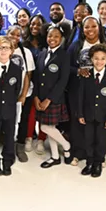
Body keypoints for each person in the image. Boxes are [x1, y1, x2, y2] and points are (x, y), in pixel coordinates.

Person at [67, 16, 106, 166]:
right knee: (79, 123)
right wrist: (78, 70)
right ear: (82, 30)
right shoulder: (76, 46)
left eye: (93, 26)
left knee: (99, 125)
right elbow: (67, 67)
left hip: (102, 92)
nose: (90, 30)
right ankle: (78, 153)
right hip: (79, 91)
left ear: (99, 27)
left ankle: (98, 156)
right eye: (86, 27)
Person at [34, 26, 72, 168]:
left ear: (61, 39)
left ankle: (66, 146)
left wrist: (48, 100)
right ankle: (55, 157)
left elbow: (63, 80)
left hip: (54, 99)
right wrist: (37, 97)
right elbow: (37, 77)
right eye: (50, 36)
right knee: (50, 127)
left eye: (56, 36)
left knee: (46, 127)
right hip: (41, 97)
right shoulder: (42, 54)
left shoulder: (64, 55)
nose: (52, 39)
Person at [78, 44, 106, 178]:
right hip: (88, 114)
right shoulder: (86, 75)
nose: (99, 61)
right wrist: (80, 113)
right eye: (96, 58)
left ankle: (98, 163)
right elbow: (80, 96)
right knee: (88, 139)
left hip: (103, 116)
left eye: (102, 58)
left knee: (101, 140)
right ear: (91, 59)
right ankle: (89, 162)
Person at [0, 36, 22, 176]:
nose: (3, 51)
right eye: (1, 48)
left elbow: (17, 89)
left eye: (6, 48)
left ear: (12, 51)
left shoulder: (16, 69)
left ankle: (8, 159)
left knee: (9, 136)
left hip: (9, 109)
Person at [7, 25, 35, 162]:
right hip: (7, 95)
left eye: (18, 35)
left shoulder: (26, 52)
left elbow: (28, 75)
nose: (15, 37)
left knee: (23, 121)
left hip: (24, 94)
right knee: (8, 121)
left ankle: (20, 146)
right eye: (12, 34)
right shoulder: (2, 50)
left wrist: (23, 95)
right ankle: (9, 146)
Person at [23, 14, 47, 154]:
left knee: (43, 112)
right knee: (30, 112)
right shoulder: (24, 44)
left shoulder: (47, 43)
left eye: (38, 24)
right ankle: (29, 137)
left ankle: (41, 140)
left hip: (44, 83)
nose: (34, 27)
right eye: (32, 24)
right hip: (29, 83)